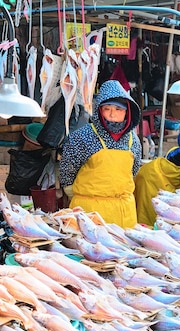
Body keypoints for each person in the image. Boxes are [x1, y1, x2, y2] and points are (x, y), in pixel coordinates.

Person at [60, 80, 142, 228]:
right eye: (107, 108)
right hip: (89, 213)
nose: (112, 114)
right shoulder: (82, 136)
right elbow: (67, 173)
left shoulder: (133, 140)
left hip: (124, 213)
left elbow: (134, 171)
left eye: (118, 109)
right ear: (99, 110)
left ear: (127, 111)